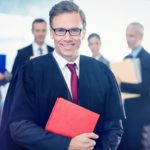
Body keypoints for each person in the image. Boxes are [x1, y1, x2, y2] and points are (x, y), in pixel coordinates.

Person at [0, 1, 125, 150]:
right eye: (60, 30)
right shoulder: (29, 71)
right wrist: (67, 145)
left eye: (74, 30)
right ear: (52, 33)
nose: (67, 38)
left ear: (83, 32)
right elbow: (19, 127)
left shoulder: (103, 72)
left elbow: (114, 127)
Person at [118, 22, 150, 150]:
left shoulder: (147, 59)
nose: (127, 39)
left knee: (136, 146)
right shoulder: (126, 58)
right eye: (126, 35)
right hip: (126, 112)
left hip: (140, 116)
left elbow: (144, 88)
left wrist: (121, 83)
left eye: (131, 36)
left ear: (140, 37)